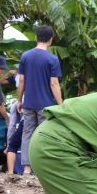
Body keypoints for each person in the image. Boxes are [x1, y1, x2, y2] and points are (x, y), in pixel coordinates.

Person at [17, 25, 62, 175]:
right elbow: (54, 83)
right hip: (46, 105)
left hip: (28, 103)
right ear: (50, 40)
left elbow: (21, 81)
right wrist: (61, 104)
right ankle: (42, 168)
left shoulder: (25, 56)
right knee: (44, 136)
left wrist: (19, 100)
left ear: (36, 38)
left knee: (27, 133)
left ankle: (26, 168)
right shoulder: (52, 59)